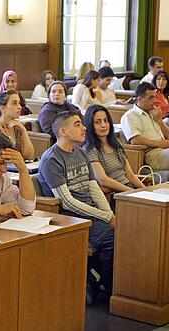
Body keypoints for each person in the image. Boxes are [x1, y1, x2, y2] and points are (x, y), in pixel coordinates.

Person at [37, 110, 114, 304]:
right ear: (63, 131)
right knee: (112, 238)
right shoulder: (51, 159)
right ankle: (111, 287)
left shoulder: (80, 152)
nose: (84, 127)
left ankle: (99, 279)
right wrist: (105, 218)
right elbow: (67, 201)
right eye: (78, 124)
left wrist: (109, 214)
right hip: (70, 217)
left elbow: (94, 188)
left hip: (90, 213)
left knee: (124, 230)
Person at [82, 105, 145, 193]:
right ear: (90, 125)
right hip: (115, 193)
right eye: (97, 122)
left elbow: (130, 175)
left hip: (128, 188)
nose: (103, 125)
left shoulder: (115, 142)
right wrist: (131, 192)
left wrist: (146, 191)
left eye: (106, 120)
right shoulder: (90, 149)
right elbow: (103, 180)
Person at [121, 82, 169, 170]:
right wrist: (158, 143)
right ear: (139, 99)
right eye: (151, 98)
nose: (155, 101)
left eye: (155, 97)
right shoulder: (130, 115)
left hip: (166, 149)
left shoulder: (154, 113)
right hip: (153, 155)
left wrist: (159, 121)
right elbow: (135, 140)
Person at [0, 90, 35, 160]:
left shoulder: (17, 127)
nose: (20, 107)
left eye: (19, 103)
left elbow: (29, 156)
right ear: (3, 108)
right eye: (14, 103)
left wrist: (24, 131)